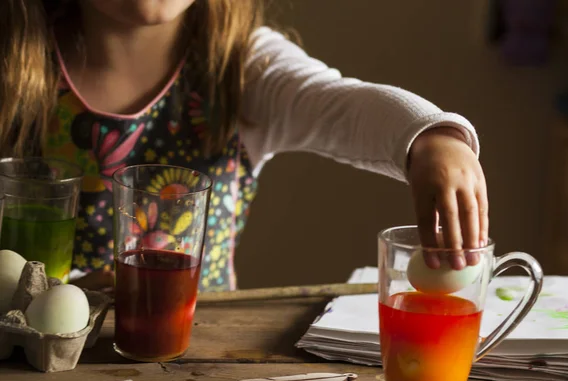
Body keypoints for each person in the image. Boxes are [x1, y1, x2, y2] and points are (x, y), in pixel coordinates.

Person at [0, 0, 488, 292]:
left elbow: (338, 103)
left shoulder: (243, 66)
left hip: (198, 376)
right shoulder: (15, 64)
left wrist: (430, 136)